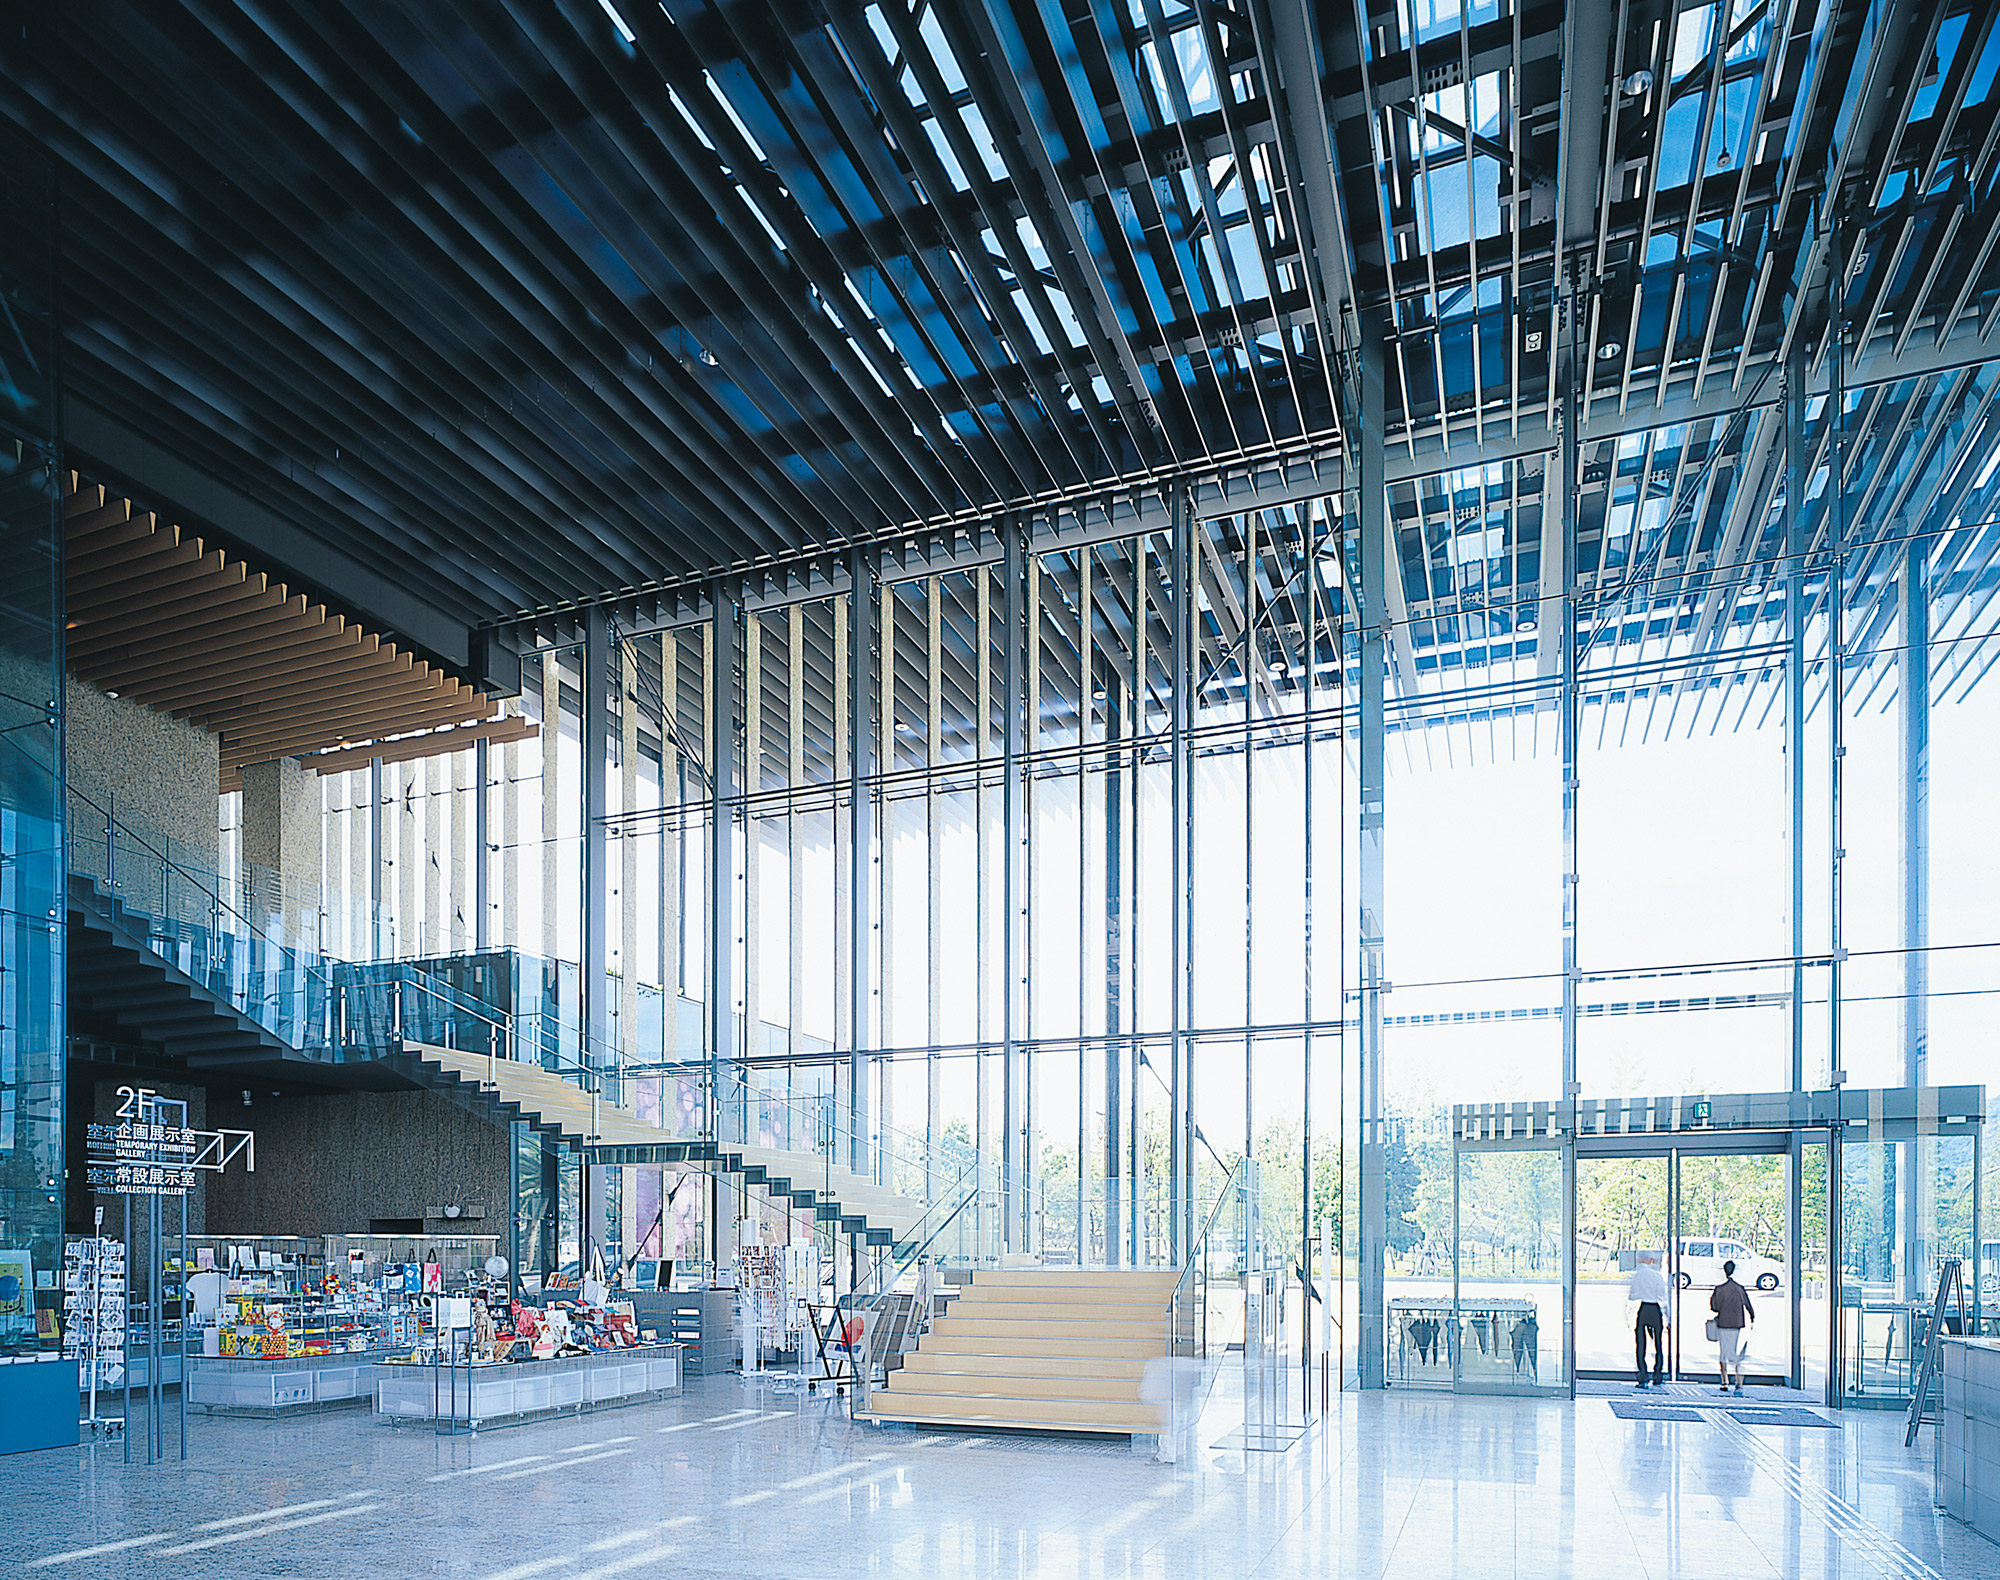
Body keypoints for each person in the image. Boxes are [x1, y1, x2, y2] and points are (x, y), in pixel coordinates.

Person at [1710, 1258, 1755, 1395]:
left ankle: (1725, 1382)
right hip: (1737, 1324)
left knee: (1724, 1352)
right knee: (1734, 1351)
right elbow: (1748, 1305)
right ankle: (1738, 1382)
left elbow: (1714, 1307)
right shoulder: (1739, 1288)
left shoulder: (1719, 1289)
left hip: (1723, 1323)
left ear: (1724, 1271)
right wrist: (1752, 1317)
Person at [1627, 1250, 1670, 1387]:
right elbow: (1663, 1297)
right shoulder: (1657, 1276)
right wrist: (1668, 1319)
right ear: (1650, 1260)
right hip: (1655, 1309)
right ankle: (1658, 1374)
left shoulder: (1637, 1276)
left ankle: (1642, 1375)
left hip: (1643, 1308)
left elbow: (1632, 1296)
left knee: (1641, 1344)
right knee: (1658, 1343)